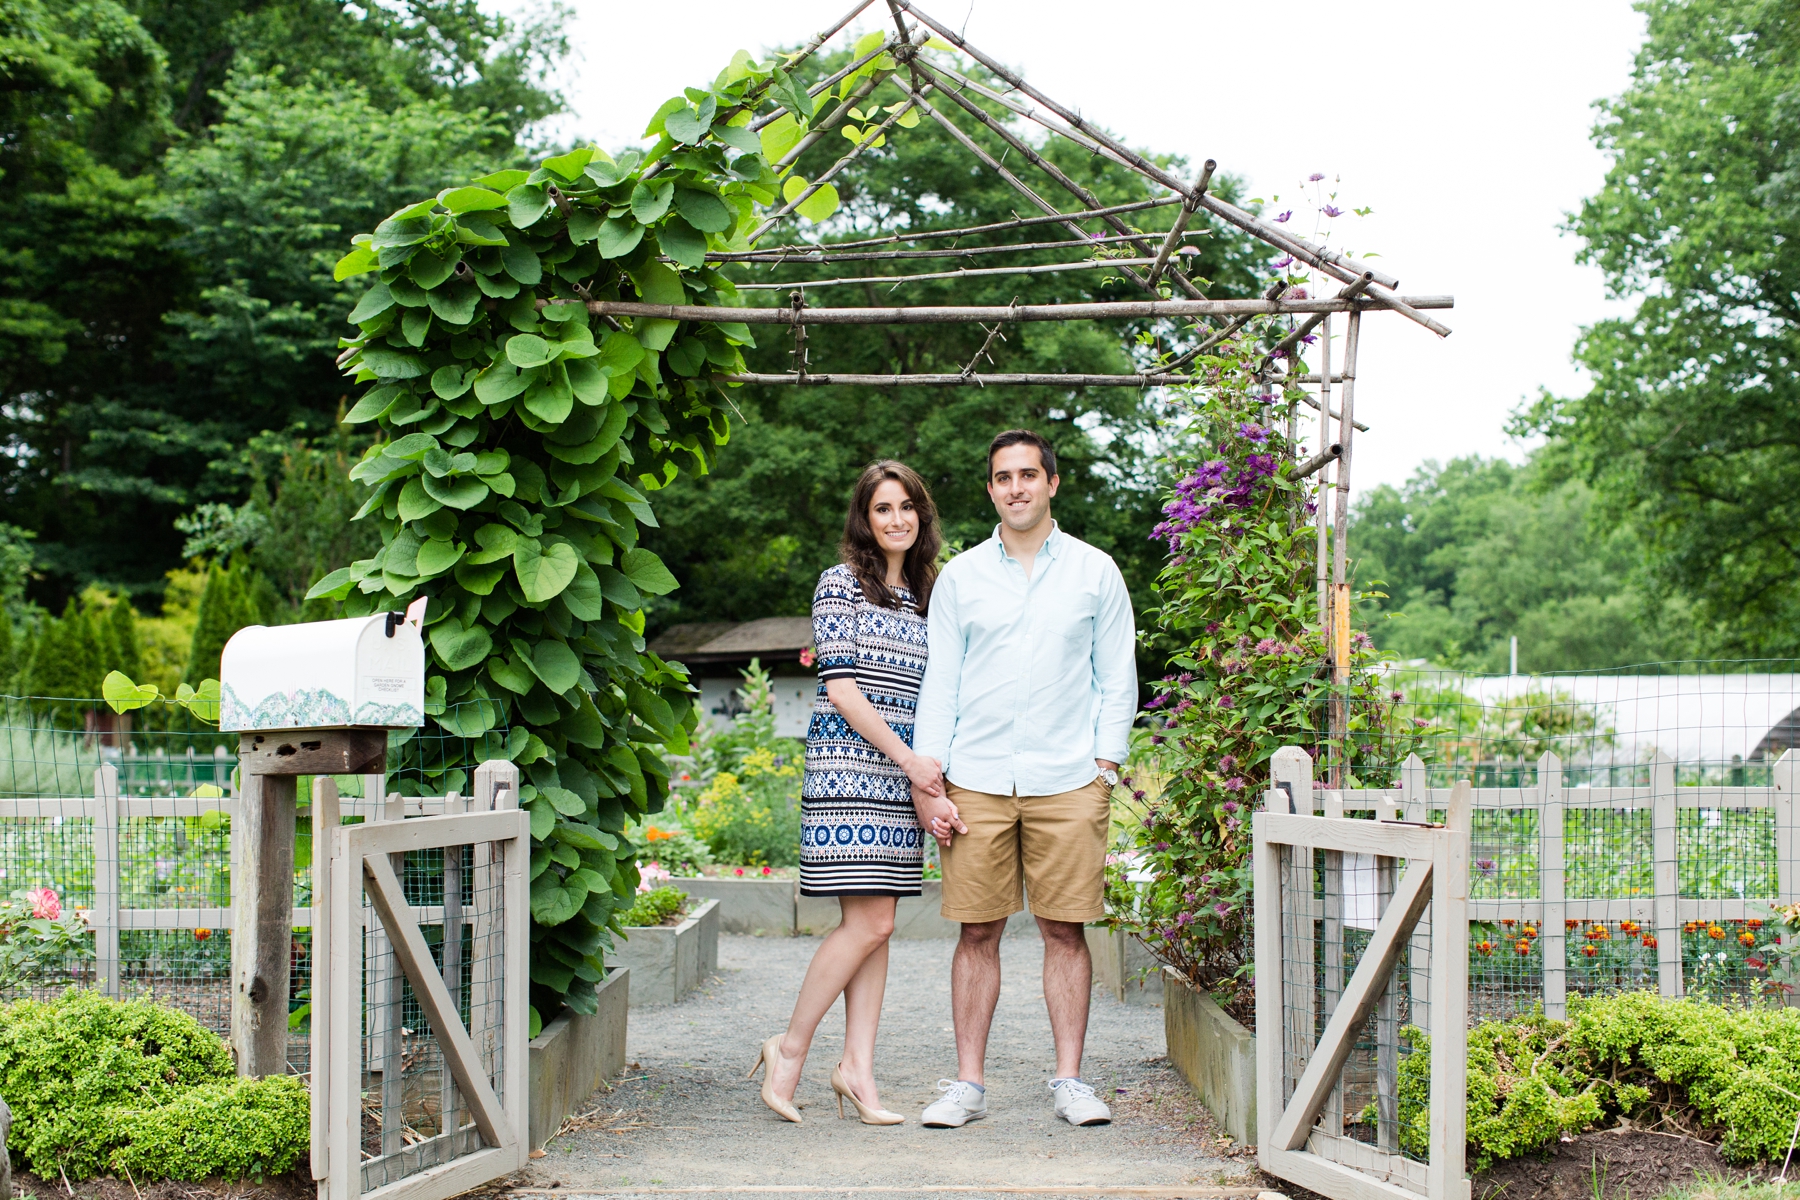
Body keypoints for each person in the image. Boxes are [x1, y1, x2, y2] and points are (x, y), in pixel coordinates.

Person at [909, 429, 1137, 1130]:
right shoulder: (961, 577)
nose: (1016, 487)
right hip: (975, 777)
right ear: (990, 490)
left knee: (1065, 931)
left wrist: (1104, 765)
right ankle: (967, 1086)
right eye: (1003, 477)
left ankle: (1070, 1080)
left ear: (1052, 483)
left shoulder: (1096, 572)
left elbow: (1116, 675)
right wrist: (930, 779)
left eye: (1028, 475)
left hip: (1069, 777)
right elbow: (940, 683)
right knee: (977, 932)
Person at [748, 460, 948, 1126]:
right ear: (863, 520)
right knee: (873, 922)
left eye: (907, 506)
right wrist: (912, 763)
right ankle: (791, 1049)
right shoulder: (840, 584)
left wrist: (925, 771)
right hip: (850, 769)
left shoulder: (928, 594)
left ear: (921, 514)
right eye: (882, 508)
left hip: (905, 777)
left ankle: (858, 1070)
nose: (897, 519)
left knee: (875, 930)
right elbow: (841, 688)